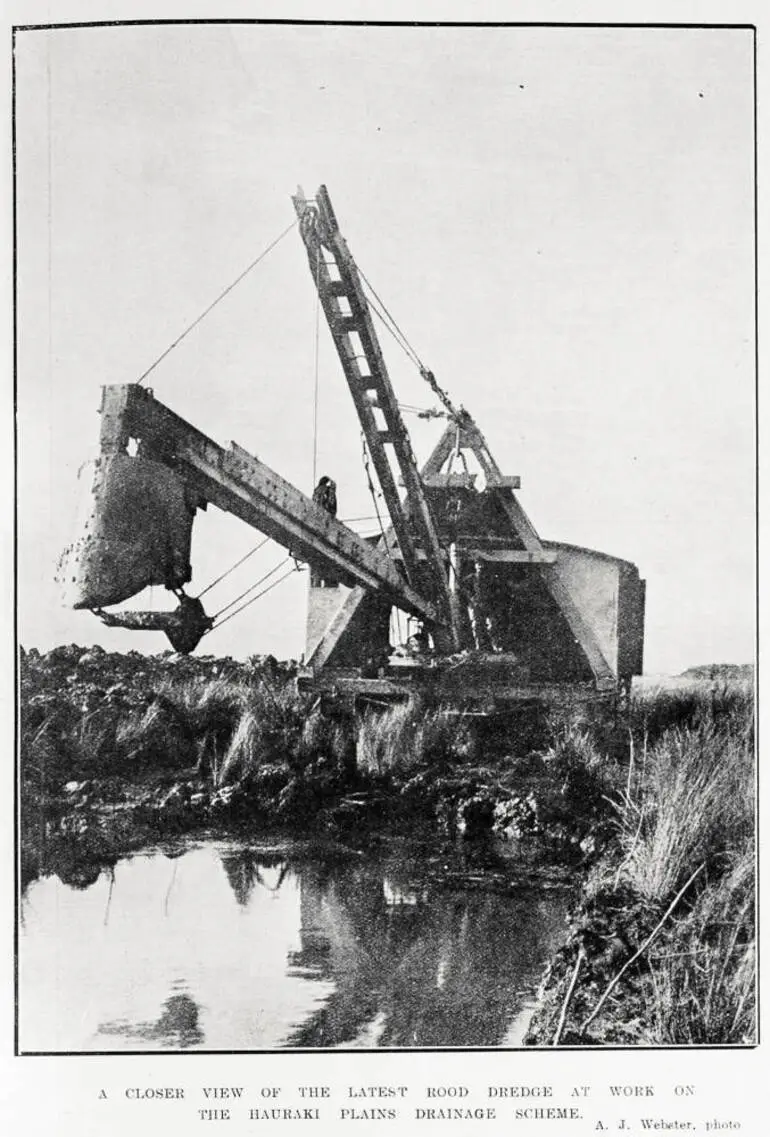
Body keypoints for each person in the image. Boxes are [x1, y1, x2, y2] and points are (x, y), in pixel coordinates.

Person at [95, 593, 213, 654]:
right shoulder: (192, 615)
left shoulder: (189, 617)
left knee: (148, 620)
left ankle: (110, 617)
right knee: (149, 619)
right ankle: (110, 617)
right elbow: (184, 648)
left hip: (177, 624)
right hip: (178, 624)